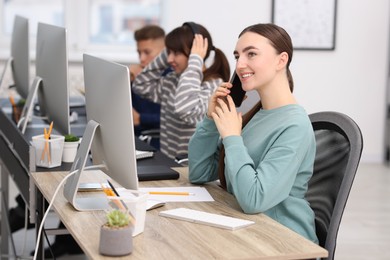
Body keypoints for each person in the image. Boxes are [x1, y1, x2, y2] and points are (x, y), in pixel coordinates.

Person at [188, 23, 318, 243]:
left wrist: (232, 137)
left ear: (281, 60)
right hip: (246, 229)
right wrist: (211, 120)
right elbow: (199, 172)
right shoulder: (254, 115)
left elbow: (254, 200)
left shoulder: (295, 126)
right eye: (238, 56)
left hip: (283, 240)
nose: (240, 64)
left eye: (251, 54)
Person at [132, 22, 230, 159]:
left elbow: (185, 109)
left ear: (195, 53)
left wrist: (195, 61)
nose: (170, 58)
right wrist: (167, 53)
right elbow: (140, 86)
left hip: (190, 168)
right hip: (167, 163)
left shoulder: (213, 86)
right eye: (169, 52)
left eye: (176, 53)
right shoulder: (172, 80)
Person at [130, 25, 166, 149]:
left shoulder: (173, 77)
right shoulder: (138, 75)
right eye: (139, 53)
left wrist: (141, 119)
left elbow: (176, 120)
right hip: (134, 139)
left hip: (158, 145)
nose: (141, 59)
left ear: (164, 51)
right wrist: (127, 81)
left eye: (147, 52)